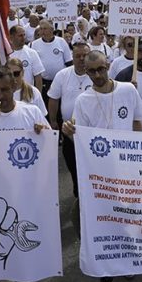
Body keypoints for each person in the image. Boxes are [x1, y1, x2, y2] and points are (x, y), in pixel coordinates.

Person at [62, 50, 142, 282]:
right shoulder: (83, 100)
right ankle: (106, 271)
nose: (97, 75)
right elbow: (82, 138)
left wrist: (141, 159)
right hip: (100, 173)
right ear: (85, 71)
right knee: (103, 219)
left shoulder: (128, 90)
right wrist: (70, 133)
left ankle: (128, 260)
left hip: (127, 168)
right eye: (92, 71)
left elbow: (138, 123)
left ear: (108, 65)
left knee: (128, 217)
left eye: (101, 69)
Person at [0, 65, 49, 282]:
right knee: (3, 246)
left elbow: (48, 150)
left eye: (5, 90)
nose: (1, 96)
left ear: (14, 86)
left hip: (28, 193)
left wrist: (42, 134)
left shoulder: (32, 112)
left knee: (24, 243)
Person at [47, 42, 92, 196]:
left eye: (84, 55)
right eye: (77, 56)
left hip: (92, 132)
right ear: (71, 57)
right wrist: (53, 121)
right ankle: (78, 193)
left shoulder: (98, 75)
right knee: (73, 166)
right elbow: (53, 99)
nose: (81, 59)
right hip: (69, 132)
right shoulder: (63, 75)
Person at [29, 19, 72, 110]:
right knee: (45, 106)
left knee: (60, 106)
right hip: (44, 82)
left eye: (45, 28)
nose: (42, 31)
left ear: (51, 29)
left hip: (60, 81)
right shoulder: (34, 44)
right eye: (41, 29)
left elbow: (69, 62)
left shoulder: (61, 42)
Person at [9, 25, 44, 92]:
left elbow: (38, 78)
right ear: (11, 37)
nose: (23, 38)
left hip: (27, 94)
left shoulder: (32, 53)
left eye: (24, 35)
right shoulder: (5, 55)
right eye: (20, 35)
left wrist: (38, 95)